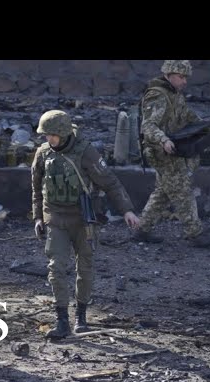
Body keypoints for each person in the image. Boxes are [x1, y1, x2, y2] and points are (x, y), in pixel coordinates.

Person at [32, 110, 140, 339]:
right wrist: (38, 217)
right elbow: (36, 188)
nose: (48, 139)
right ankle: (62, 320)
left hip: (83, 219)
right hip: (56, 218)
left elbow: (110, 182)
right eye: (46, 135)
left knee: (85, 267)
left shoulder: (86, 152)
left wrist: (127, 210)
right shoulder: (43, 154)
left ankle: (81, 317)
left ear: (63, 133)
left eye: (52, 135)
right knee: (56, 268)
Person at [132, 60, 210, 247]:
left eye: (186, 77)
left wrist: (205, 126)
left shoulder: (174, 93)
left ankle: (142, 229)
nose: (184, 81)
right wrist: (163, 140)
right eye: (181, 77)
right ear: (169, 74)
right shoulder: (157, 95)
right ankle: (195, 234)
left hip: (172, 148)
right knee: (182, 191)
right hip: (162, 152)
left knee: (163, 192)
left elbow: (186, 115)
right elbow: (148, 126)